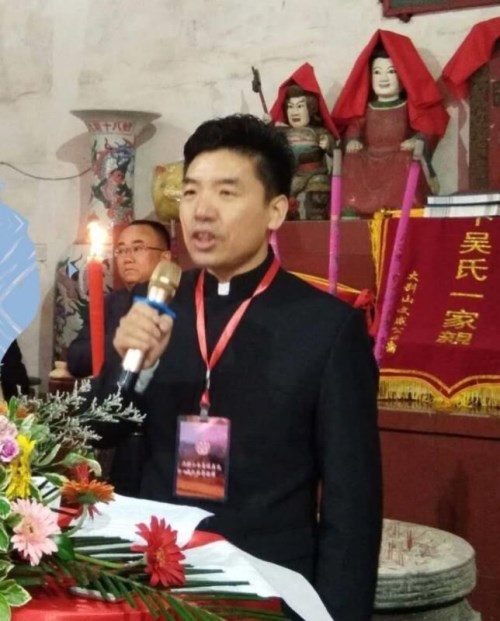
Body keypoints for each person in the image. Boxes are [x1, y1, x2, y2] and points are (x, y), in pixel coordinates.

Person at [91, 114, 382, 620]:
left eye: (226, 193)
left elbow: (352, 503)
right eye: (190, 192)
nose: (201, 211)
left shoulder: (327, 328)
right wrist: (130, 371)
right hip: (151, 583)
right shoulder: (156, 303)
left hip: (266, 591)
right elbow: (99, 431)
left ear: (275, 210)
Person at [331, 30, 449, 217]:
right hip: (370, 156)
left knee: (406, 159)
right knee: (352, 160)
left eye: (391, 72)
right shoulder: (366, 109)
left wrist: (416, 140)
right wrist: (353, 140)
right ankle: (353, 205)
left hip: (397, 154)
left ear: (403, 78)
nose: (383, 78)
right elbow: (354, 128)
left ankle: (402, 204)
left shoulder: (408, 108)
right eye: (377, 72)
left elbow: (425, 129)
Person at [67, 219, 171, 379]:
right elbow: (76, 359)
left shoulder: (183, 300)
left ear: (165, 257)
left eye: (137, 248)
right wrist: (121, 340)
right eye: (121, 250)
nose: (127, 258)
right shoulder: (108, 304)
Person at [268, 63, 339, 220]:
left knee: (319, 193)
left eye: (300, 106)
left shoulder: (318, 131)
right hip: (295, 174)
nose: (295, 112)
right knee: (285, 192)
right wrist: (268, 124)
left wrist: (327, 143)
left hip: (316, 173)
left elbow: (335, 150)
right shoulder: (283, 132)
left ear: (310, 109)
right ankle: (290, 215)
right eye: (291, 107)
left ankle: (317, 214)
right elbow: (270, 144)